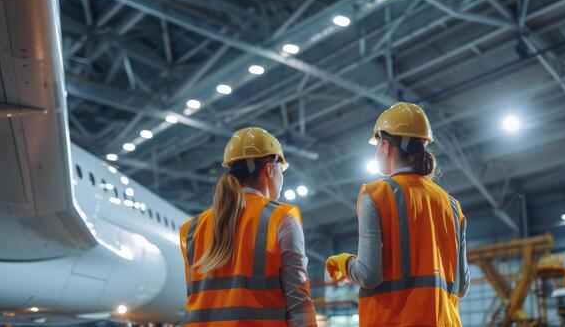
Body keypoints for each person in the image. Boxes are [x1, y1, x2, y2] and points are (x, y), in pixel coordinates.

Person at [326, 102, 469, 326]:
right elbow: (461, 287)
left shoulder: (375, 194)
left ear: (385, 145)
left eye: (376, 146)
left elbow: (369, 276)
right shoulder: (451, 205)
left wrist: (344, 262)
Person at [180, 127, 316, 326]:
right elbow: (298, 301)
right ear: (270, 169)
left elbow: (196, 298)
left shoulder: (192, 229)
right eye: (281, 170)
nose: (282, 177)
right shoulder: (281, 218)